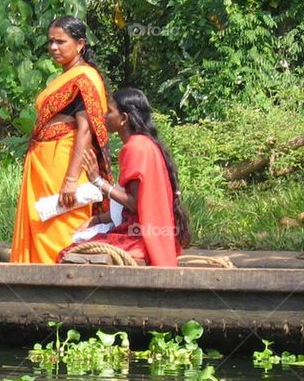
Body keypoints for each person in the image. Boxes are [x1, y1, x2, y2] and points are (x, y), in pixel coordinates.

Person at [10, 16, 114, 264]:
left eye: (60, 41)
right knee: (42, 222)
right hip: (44, 162)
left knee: (60, 223)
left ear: (79, 44)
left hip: (64, 162)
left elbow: (85, 130)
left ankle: (63, 281)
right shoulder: (65, 76)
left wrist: (70, 180)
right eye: (51, 42)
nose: (53, 47)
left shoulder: (84, 78)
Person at [66, 87, 190, 267]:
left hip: (141, 238)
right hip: (151, 234)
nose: (104, 115)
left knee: (68, 252)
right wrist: (96, 219)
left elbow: (134, 203)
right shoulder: (144, 144)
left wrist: (98, 181)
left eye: (109, 111)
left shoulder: (135, 147)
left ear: (124, 118)